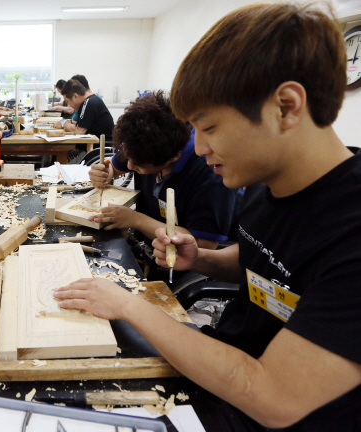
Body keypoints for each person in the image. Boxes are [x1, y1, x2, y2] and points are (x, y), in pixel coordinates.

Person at [54, 3, 361, 430]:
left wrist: (128, 305)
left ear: (286, 107)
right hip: (221, 371)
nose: (198, 150)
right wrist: (201, 259)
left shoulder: (351, 229)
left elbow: (275, 396)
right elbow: (266, 265)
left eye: (209, 128)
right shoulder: (268, 186)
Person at [89, 91, 236, 279]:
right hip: (152, 247)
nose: (130, 166)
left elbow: (201, 245)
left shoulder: (210, 174)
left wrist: (136, 220)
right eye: (129, 158)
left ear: (173, 156)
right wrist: (102, 173)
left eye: (139, 164)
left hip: (183, 264)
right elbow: (114, 169)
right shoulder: (141, 142)